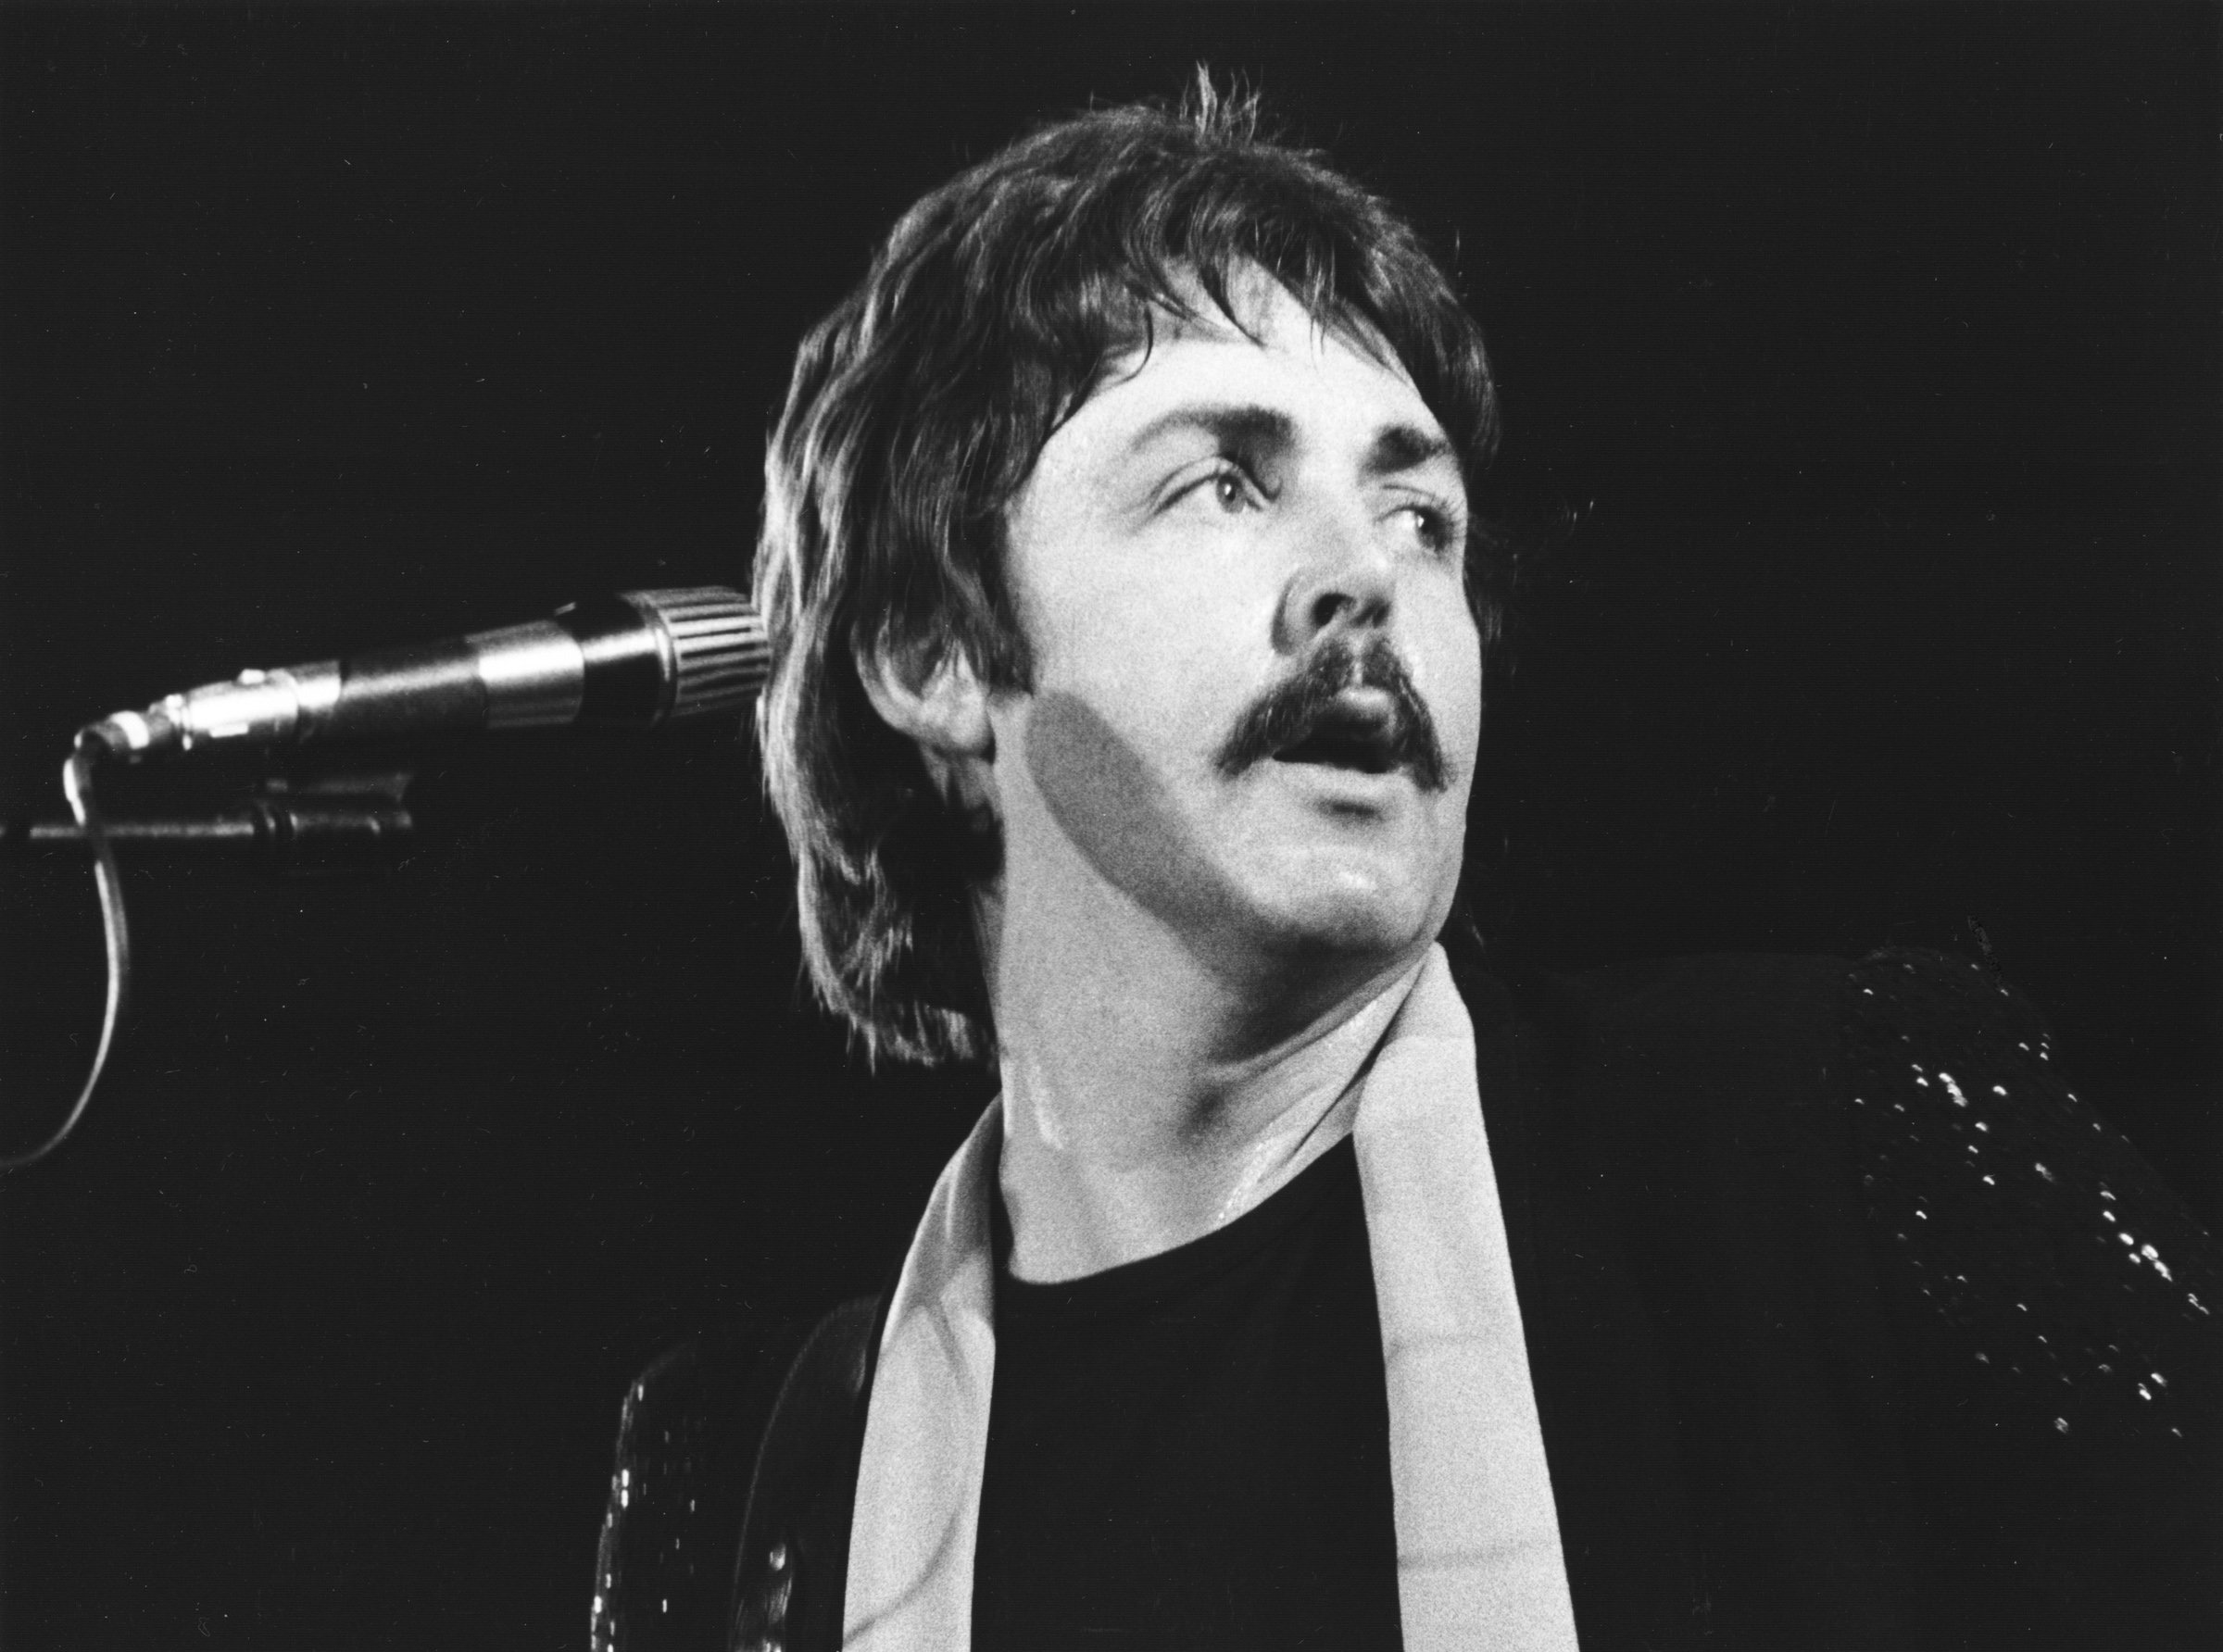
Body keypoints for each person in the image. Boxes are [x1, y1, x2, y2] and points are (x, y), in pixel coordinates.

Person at [592, 83, 2219, 1652]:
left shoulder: (1818, 1149)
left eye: (1420, 514)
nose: (1364, 577)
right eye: (1223, 483)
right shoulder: (749, 1479)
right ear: (930, 655)